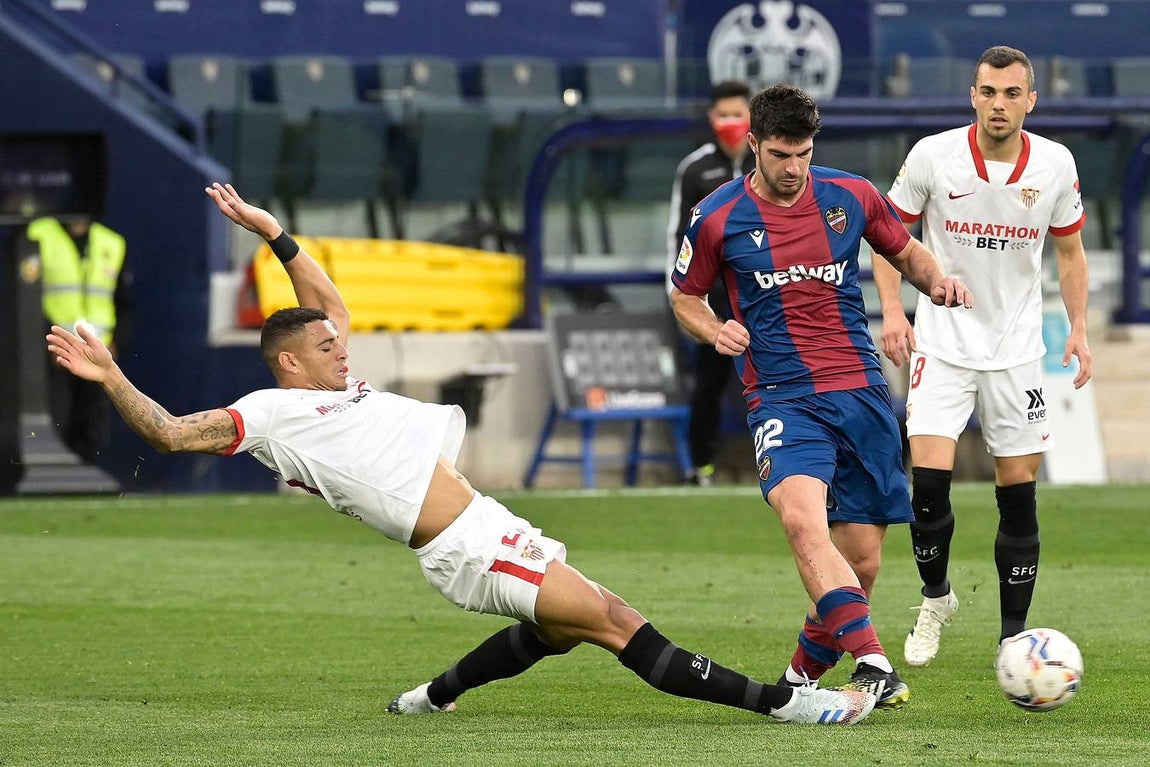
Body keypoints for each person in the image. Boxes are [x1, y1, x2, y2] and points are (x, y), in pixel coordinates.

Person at [45, 182, 876, 726]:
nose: (343, 345)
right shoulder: (267, 411)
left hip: (483, 520)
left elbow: (325, 300)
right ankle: (790, 705)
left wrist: (276, 235)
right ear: (290, 360)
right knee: (618, 622)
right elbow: (165, 431)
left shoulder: (326, 382)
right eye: (327, 345)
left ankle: (432, 695)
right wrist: (112, 373)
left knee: (556, 632)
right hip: (463, 547)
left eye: (340, 341)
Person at [669, 84, 974, 708]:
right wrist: (714, 325)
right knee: (804, 523)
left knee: (860, 565)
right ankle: (875, 663)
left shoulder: (851, 195)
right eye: (781, 154)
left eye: (804, 153)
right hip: (781, 397)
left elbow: (905, 251)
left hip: (860, 392)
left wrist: (938, 282)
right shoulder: (717, 216)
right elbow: (683, 297)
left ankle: (798, 681)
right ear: (754, 144)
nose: (794, 168)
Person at [873, 45, 1092, 667]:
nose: (999, 105)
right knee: (928, 486)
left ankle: (1013, 638)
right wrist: (893, 313)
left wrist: (1078, 328)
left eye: (1011, 94)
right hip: (941, 344)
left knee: (1017, 489)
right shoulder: (933, 156)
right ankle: (936, 598)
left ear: (1031, 100)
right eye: (988, 93)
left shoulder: (1055, 164)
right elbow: (890, 239)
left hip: (1017, 349)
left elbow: (1071, 254)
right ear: (974, 95)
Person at [666, 80, 756, 487]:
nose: (730, 123)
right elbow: (678, 234)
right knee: (709, 386)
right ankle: (700, 466)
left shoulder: (769, 162)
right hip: (714, 301)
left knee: (781, 381)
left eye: (738, 114)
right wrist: (684, 294)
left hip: (765, 294)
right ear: (711, 119)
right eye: (723, 115)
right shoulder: (695, 168)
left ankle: (791, 467)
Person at [26, 215, 132, 464]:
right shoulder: (38, 235)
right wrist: (46, 342)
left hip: (98, 353)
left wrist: (117, 342)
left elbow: (124, 301)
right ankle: (53, 474)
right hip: (55, 351)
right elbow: (26, 298)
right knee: (56, 415)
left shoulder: (112, 242)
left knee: (92, 420)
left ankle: (87, 473)